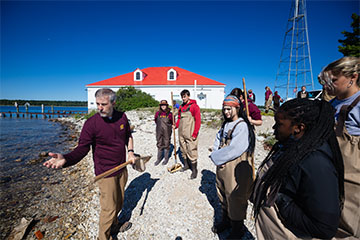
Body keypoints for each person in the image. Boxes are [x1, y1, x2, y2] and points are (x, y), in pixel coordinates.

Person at [43, 88, 135, 240]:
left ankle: (114, 226)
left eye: (103, 104)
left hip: (122, 167)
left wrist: (131, 152)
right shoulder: (91, 124)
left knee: (119, 202)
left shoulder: (122, 117)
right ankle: (103, 237)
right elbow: (82, 149)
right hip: (105, 173)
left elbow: (128, 136)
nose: (99, 108)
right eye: (97, 104)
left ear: (113, 103)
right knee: (108, 209)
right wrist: (66, 159)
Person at [251, 98, 344, 239]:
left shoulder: (315, 163)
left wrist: (279, 199)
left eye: (279, 124)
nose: (274, 128)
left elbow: (325, 228)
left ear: (299, 128)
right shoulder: (294, 147)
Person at [318, 56, 360, 239]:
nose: (330, 84)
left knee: (347, 224)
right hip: (329, 171)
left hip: (352, 177)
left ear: (353, 77)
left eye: (334, 80)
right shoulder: (331, 104)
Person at [210, 95, 255, 239]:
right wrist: (216, 154)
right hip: (223, 163)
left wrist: (218, 157)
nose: (226, 112)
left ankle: (237, 229)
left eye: (229, 109)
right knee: (222, 191)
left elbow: (235, 148)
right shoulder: (226, 124)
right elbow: (218, 139)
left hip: (234, 165)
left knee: (235, 196)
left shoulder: (241, 125)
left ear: (237, 108)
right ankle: (226, 220)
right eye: (224, 109)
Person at [175, 89, 201, 179]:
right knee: (183, 149)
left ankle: (194, 170)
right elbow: (179, 118)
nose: (183, 98)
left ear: (188, 96)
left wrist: (195, 133)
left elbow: (198, 120)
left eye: (184, 96)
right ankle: (186, 165)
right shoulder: (181, 107)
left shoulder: (194, 106)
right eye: (182, 97)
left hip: (190, 132)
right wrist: (176, 126)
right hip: (181, 132)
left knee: (191, 150)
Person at [154, 100, 173, 166]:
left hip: (167, 131)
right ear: (160, 106)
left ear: (167, 105)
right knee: (159, 143)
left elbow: (173, 122)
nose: (163, 106)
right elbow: (156, 121)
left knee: (166, 143)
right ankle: (159, 159)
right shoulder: (157, 113)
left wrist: (173, 125)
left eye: (164, 105)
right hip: (159, 131)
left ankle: (166, 158)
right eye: (162, 105)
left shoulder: (170, 114)